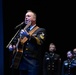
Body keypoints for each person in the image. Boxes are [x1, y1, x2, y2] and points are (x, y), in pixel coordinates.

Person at [8, 10, 46, 75]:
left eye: (28, 16)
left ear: (34, 19)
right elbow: (14, 41)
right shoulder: (23, 30)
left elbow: (40, 41)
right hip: (21, 61)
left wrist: (28, 36)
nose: (26, 17)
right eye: (25, 16)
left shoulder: (40, 30)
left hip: (32, 62)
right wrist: (12, 47)